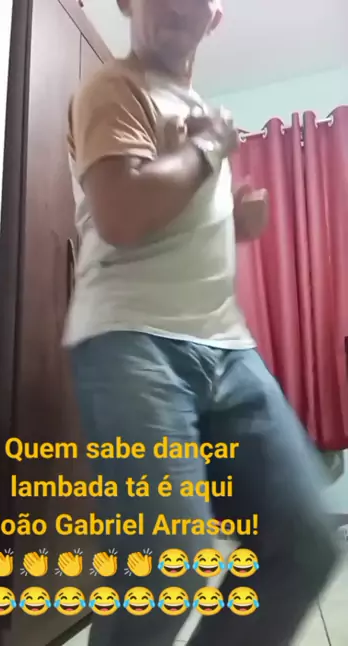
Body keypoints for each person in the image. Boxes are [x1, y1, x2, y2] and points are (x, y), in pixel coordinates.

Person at [64, 1, 339, 645]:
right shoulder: (115, 87)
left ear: (214, 16)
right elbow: (122, 214)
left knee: (305, 544)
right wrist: (210, 144)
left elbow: (166, 221)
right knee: (169, 568)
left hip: (226, 349)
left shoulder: (196, 109)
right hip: (131, 342)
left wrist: (232, 224)